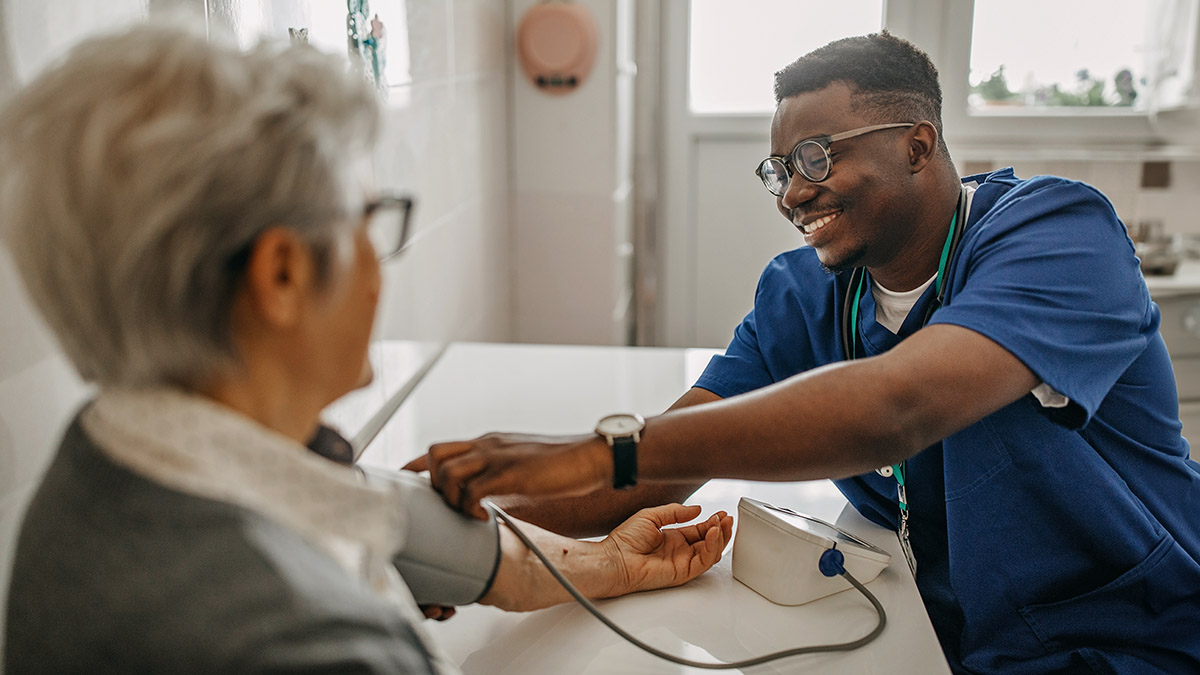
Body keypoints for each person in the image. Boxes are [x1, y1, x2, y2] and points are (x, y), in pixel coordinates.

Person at [412, 32, 1200, 674]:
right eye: (780, 170)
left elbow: (898, 405)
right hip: (952, 641)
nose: (792, 192)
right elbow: (657, 470)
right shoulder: (803, 294)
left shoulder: (1058, 235)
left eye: (818, 157)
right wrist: (460, 534)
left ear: (918, 144)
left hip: (1139, 634)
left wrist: (594, 450)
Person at [0, 21, 732, 674]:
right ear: (282, 273)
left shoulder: (112, 450)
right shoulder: (309, 639)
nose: (380, 263)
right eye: (368, 217)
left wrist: (606, 561)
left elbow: (385, 516)